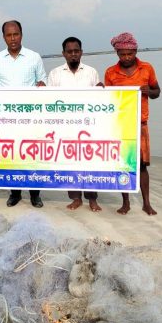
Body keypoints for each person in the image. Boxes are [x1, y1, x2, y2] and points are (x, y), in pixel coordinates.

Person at [0, 20, 47, 208]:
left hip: (31, 117)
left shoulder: (34, 57)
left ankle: (35, 195)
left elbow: (42, 81)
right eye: (9, 35)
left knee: (32, 155)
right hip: (7, 119)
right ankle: (14, 193)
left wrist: (42, 86)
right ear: (3, 37)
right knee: (11, 155)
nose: (13, 38)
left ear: (22, 34)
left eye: (16, 34)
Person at [104, 31, 161, 215]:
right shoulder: (110, 72)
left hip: (141, 122)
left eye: (130, 54)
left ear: (136, 51)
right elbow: (108, 100)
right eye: (122, 54)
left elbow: (157, 91)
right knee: (124, 164)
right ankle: (126, 202)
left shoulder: (147, 68)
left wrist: (148, 91)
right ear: (117, 54)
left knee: (142, 165)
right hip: (121, 124)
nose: (127, 57)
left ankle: (146, 203)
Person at [47, 36, 103, 212]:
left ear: (81, 52)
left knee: (90, 162)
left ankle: (92, 198)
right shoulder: (55, 74)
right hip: (65, 128)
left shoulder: (91, 72)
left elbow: (100, 100)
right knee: (70, 163)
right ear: (63, 54)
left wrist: (103, 89)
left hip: (88, 128)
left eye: (76, 51)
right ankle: (76, 198)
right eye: (69, 51)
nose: (73, 54)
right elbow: (49, 102)